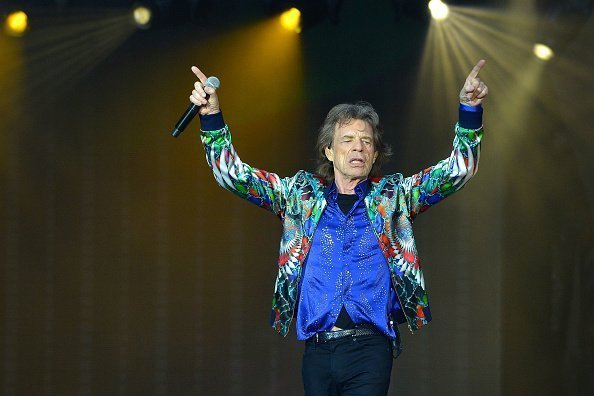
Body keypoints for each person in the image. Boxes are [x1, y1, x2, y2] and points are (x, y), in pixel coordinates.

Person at [189, 60, 488, 395]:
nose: (358, 146)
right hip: (317, 350)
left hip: (370, 349)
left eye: (366, 141)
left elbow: (458, 171)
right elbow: (233, 175)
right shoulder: (298, 197)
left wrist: (470, 110)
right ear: (329, 150)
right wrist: (211, 116)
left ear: (375, 155)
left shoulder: (395, 197)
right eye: (347, 139)